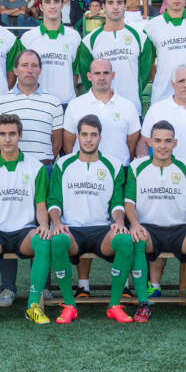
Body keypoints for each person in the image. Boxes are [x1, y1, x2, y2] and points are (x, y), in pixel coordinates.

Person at [47, 114, 131, 324]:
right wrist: (57, 223)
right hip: (71, 229)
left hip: (102, 229)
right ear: (77, 136)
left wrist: (119, 221)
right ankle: (69, 305)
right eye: (84, 134)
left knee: (124, 240)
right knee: (58, 240)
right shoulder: (63, 164)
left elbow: (117, 203)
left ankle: (114, 305)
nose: (88, 139)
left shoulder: (114, 165)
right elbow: (54, 201)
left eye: (93, 135)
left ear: (100, 137)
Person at [125, 120, 186, 323]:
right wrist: (135, 224)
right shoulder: (136, 167)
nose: (162, 146)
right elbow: (129, 203)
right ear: (149, 142)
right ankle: (143, 303)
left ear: (175, 143)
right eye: (158, 141)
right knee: (136, 238)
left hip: (180, 229)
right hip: (149, 228)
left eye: (167, 141)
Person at [0, 114, 52, 325]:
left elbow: (40, 204)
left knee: (43, 239)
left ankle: (33, 305)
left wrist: (44, 225)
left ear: (20, 135)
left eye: (12, 134)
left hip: (24, 231)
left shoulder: (36, 167)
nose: (7, 139)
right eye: (3, 134)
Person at [78, 0, 153, 117]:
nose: (115, 7)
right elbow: (87, 77)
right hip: (101, 112)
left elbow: (144, 74)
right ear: (103, 7)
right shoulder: (89, 41)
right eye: (110, 3)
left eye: (119, 2)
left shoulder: (141, 38)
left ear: (125, 5)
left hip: (132, 110)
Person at [64, 58, 140, 166]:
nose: (102, 77)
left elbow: (132, 145)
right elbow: (68, 143)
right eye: (97, 73)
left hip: (119, 170)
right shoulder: (75, 105)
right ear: (89, 76)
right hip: (83, 169)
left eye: (106, 73)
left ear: (113, 75)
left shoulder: (128, 106)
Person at [19, 0, 81, 106]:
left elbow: (75, 72)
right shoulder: (27, 38)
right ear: (41, 6)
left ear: (62, 5)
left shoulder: (75, 37)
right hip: (36, 104)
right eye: (47, 2)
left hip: (66, 104)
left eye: (56, 1)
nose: (52, 6)